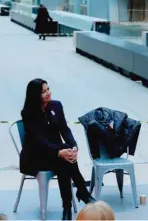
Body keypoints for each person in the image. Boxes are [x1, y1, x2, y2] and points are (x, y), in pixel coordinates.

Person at [20, 78, 95, 220]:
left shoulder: (56, 106)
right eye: (43, 91)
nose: (48, 93)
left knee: (64, 160)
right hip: (36, 156)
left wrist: (73, 146)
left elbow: (64, 129)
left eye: (48, 89)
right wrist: (58, 152)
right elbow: (38, 140)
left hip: (56, 153)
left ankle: (67, 207)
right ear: (35, 95)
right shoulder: (28, 113)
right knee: (63, 160)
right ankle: (81, 194)